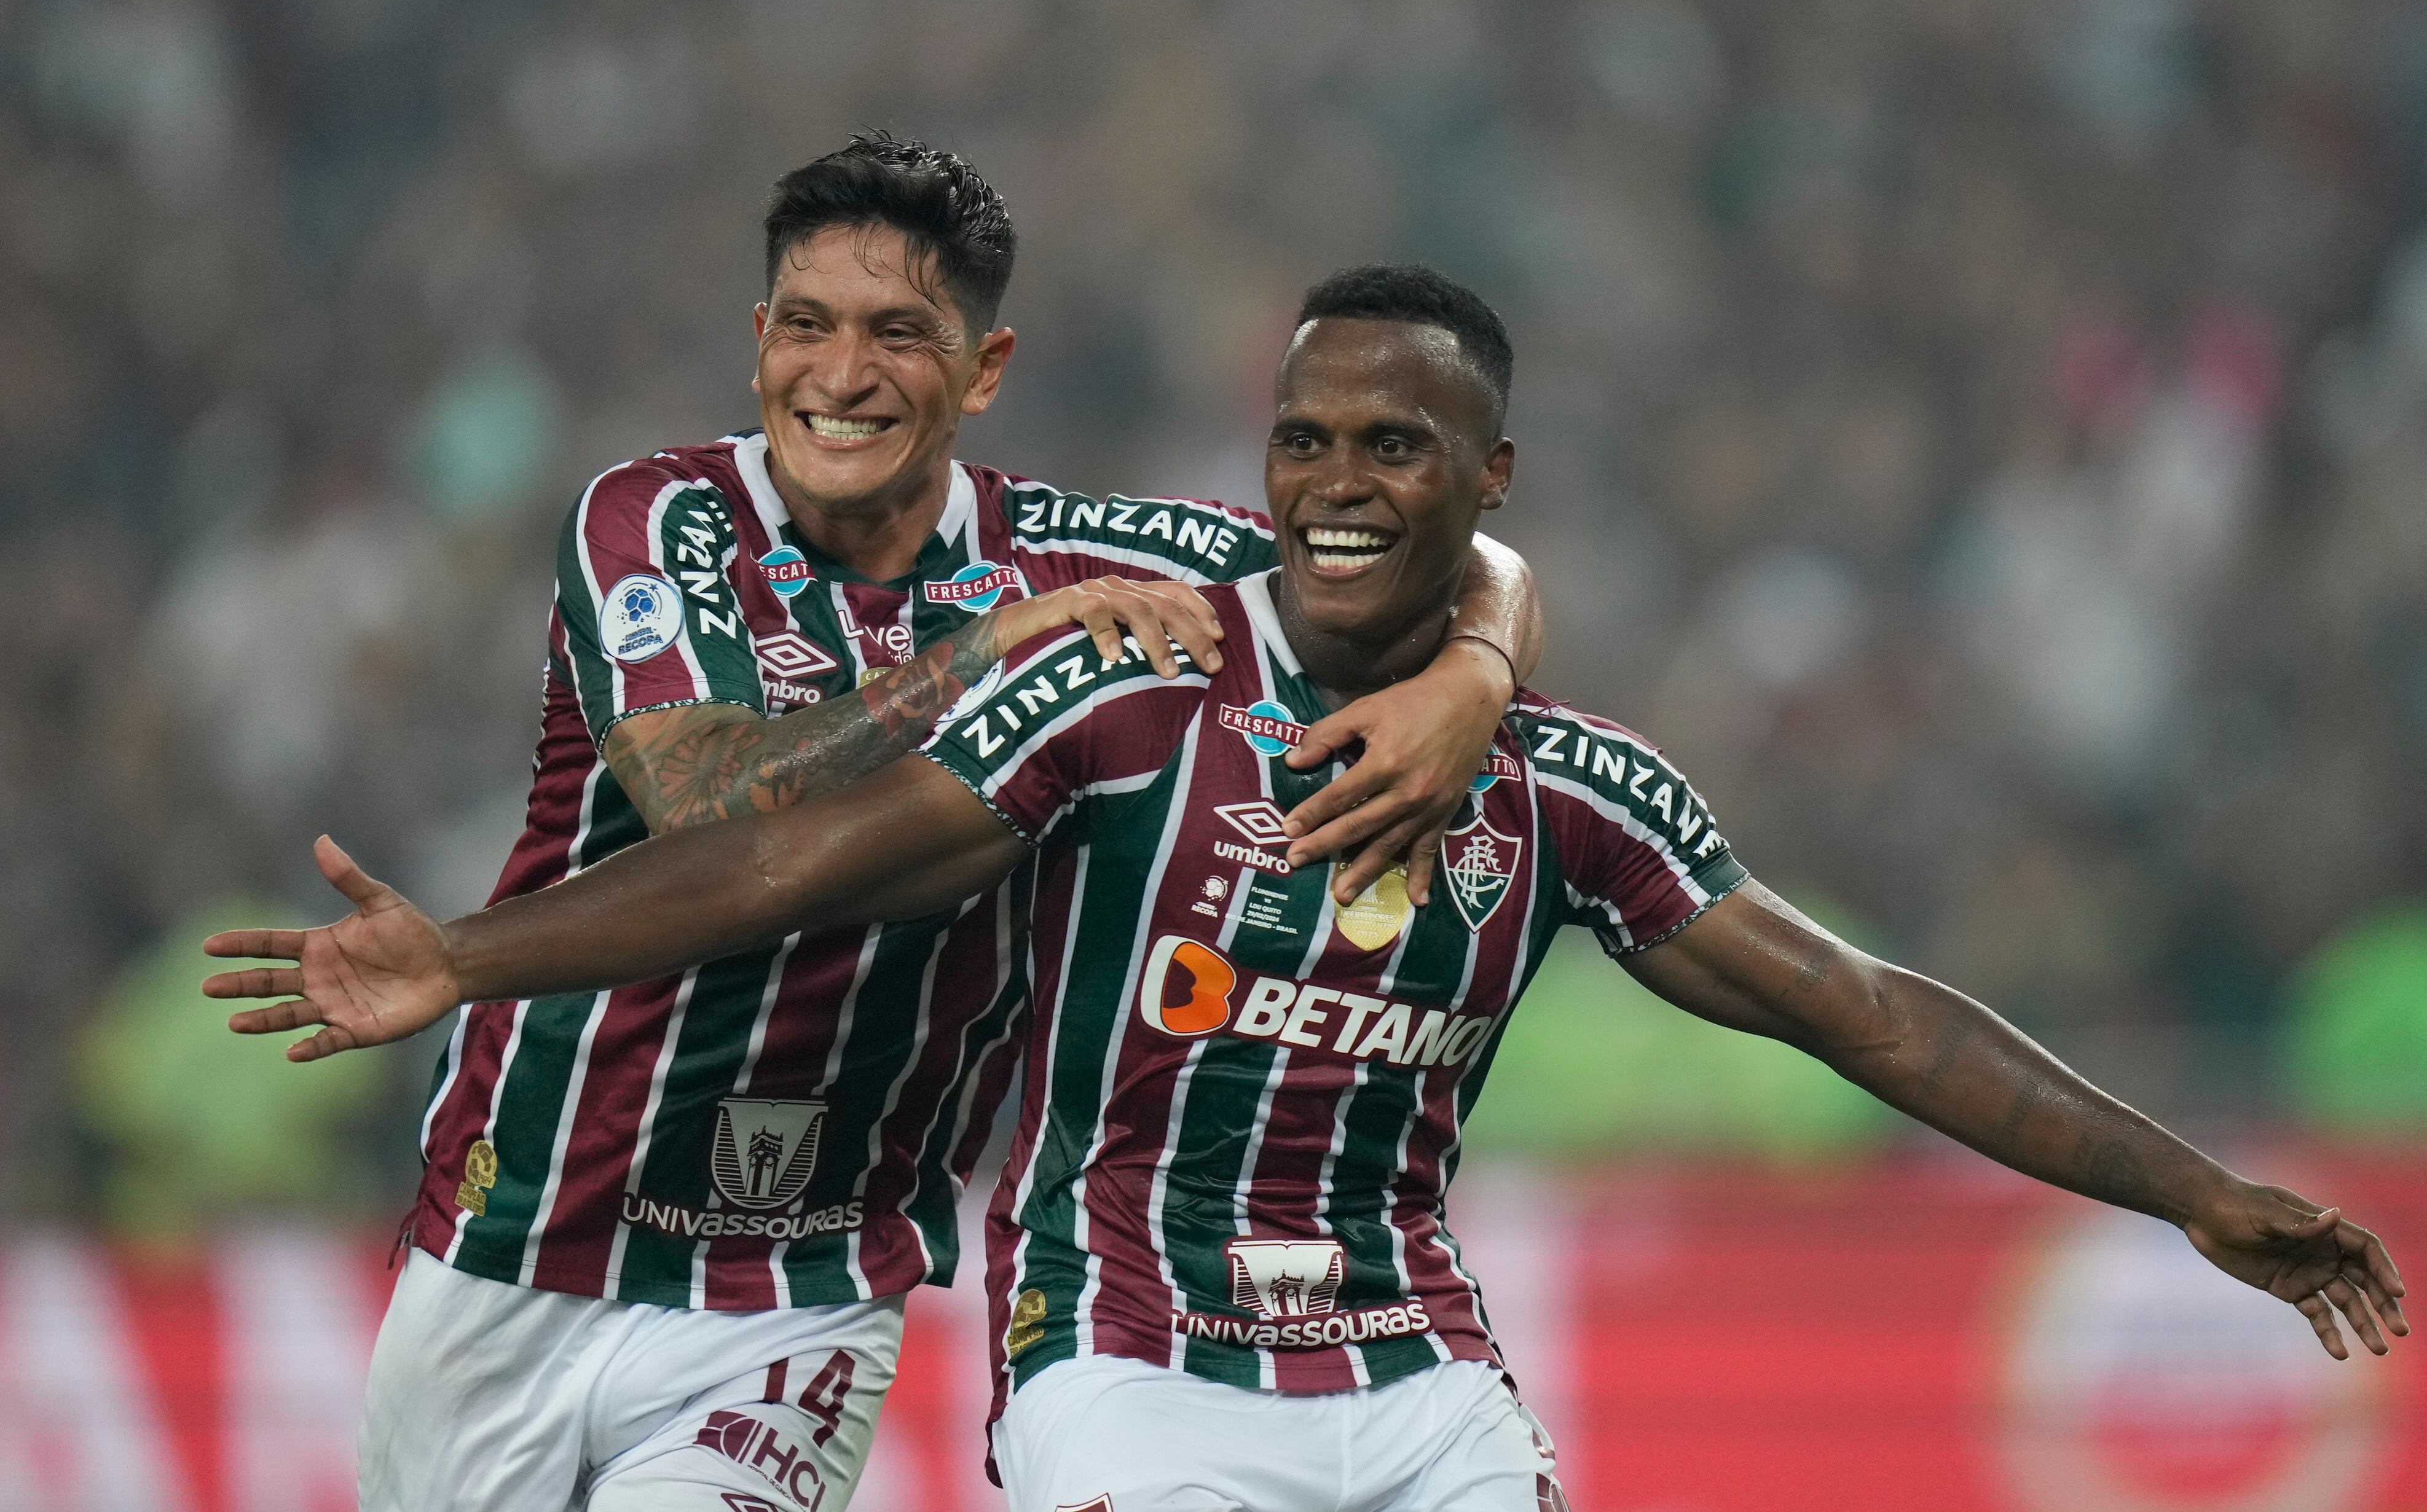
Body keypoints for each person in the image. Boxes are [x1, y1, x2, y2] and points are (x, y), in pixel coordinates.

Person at [208, 265, 2405, 1512]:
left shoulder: (1560, 784)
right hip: (1129, 1364)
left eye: (1397, 450)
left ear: (1489, 484)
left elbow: (1879, 1009)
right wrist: (465, 956)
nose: (1342, 486)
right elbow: (776, 857)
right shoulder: (1128, 701)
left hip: (1412, 1367)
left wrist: (2192, 1189)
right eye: (1306, 447)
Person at [301, 136, 1544, 1512]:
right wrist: (992, 647)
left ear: (983, 368)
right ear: (758, 340)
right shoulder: (659, 519)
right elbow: (705, 799)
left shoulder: (1099, 553)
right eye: (807, 327)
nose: (840, 377)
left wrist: (1477, 669)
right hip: (520, 1233)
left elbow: (1428, 544)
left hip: (802, 1283)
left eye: (898, 333)